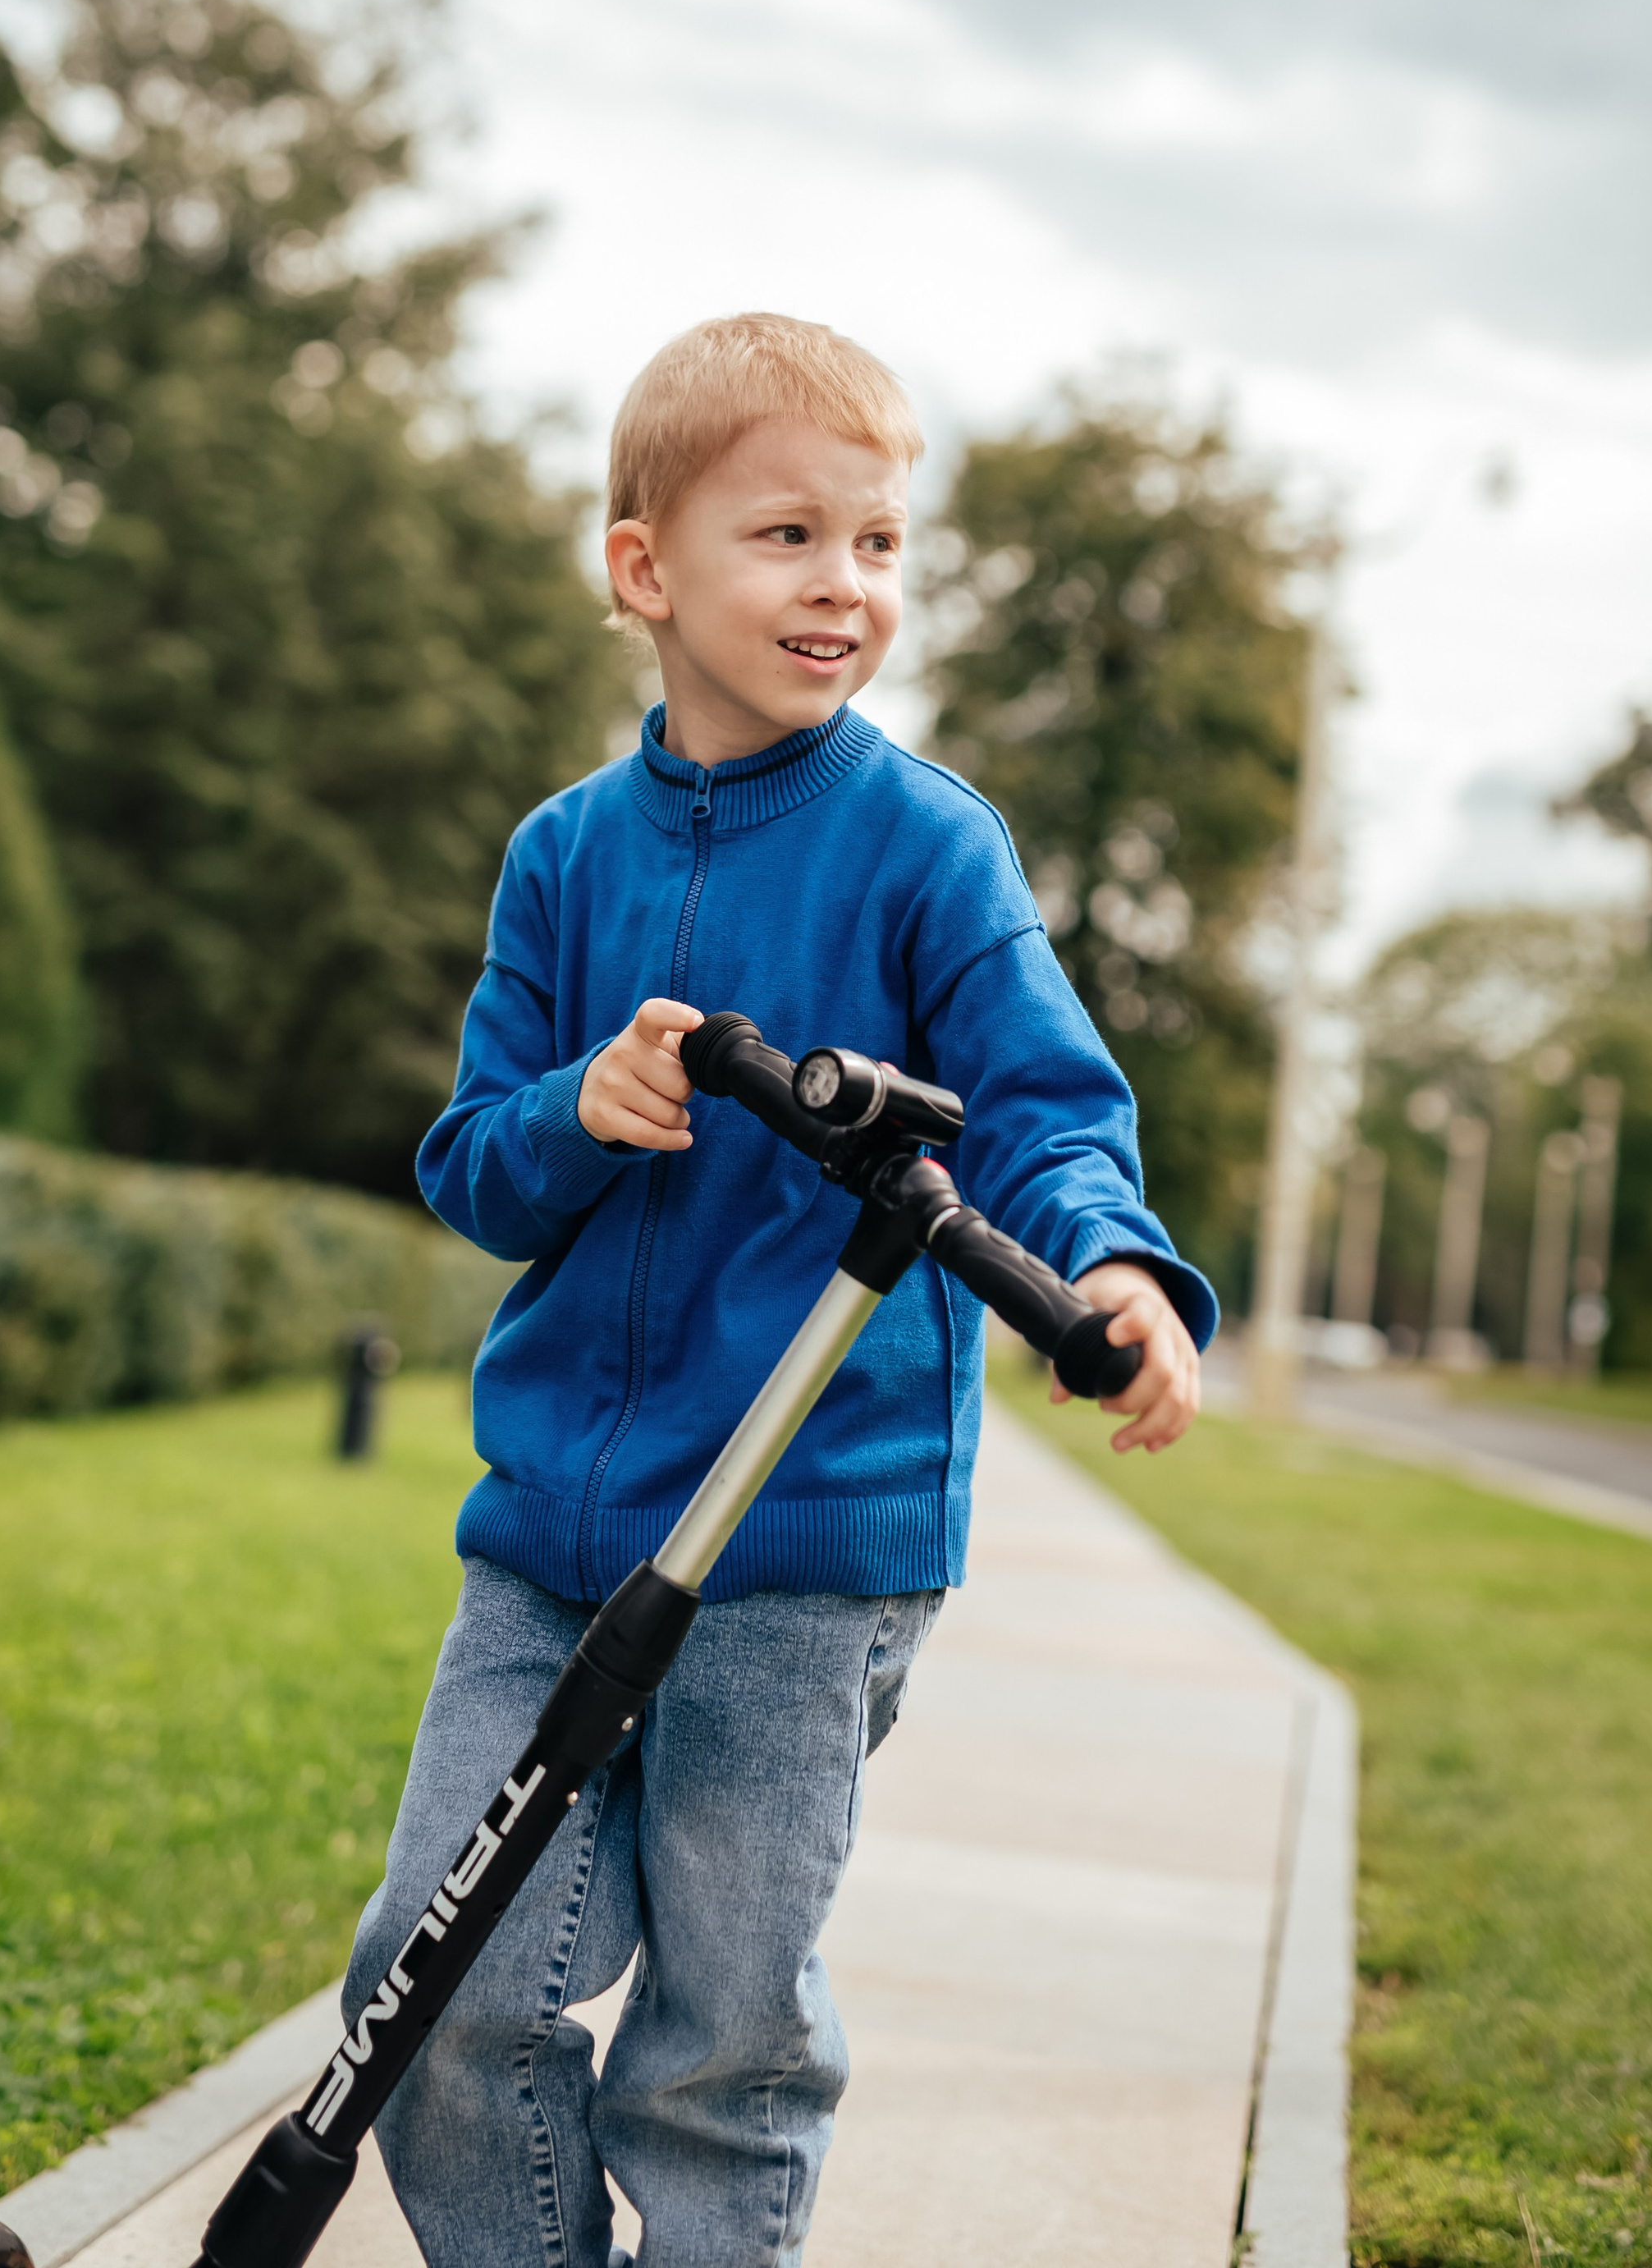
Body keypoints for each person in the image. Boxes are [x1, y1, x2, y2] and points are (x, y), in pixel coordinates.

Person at [344, 311, 1215, 2268]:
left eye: (880, 543)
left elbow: (1046, 1112)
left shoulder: (925, 847)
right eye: (789, 536)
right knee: (433, 1988)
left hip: (803, 1556)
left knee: (716, 2050)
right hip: (554, 1538)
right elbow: (473, 1162)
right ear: (643, 569)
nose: (845, 583)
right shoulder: (561, 857)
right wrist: (580, 1106)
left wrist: (1111, 1268)